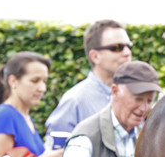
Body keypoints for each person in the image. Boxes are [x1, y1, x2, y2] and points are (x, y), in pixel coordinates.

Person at [44, 19, 132, 148]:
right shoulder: (75, 100)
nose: (127, 53)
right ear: (95, 56)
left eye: (129, 46)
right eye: (117, 48)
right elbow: (55, 156)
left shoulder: (134, 96)